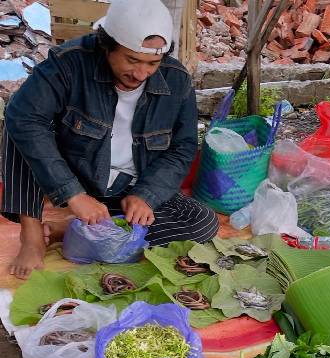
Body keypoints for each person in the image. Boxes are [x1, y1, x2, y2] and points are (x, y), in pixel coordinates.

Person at [2, 0, 218, 279]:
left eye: (153, 63)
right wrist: (73, 194)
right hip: (79, 177)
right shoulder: (68, 63)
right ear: (106, 45)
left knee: (202, 223)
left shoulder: (176, 80)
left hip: (128, 188)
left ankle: (76, 230)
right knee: (21, 121)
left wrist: (146, 195)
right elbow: (24, 118)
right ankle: (32, 234)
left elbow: (183, 147)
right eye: (132, 60)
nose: (141, 74)